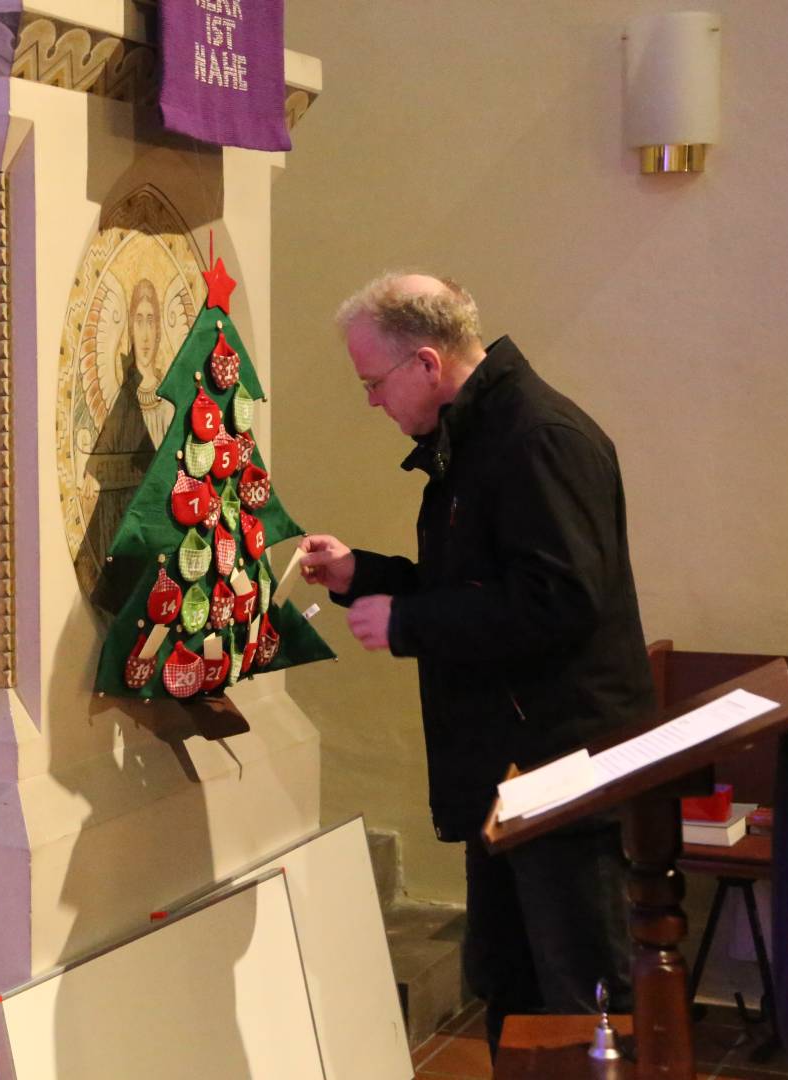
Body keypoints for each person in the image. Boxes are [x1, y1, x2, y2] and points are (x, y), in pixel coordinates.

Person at [298, 273, 654, 1055]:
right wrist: (368, 574)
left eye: (372, 383)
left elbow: (560, 600)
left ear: (426, 364)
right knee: (509, 976)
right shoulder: (480, 436)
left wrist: (411, 621)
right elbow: (481, 584)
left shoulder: (537, 437)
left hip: (559, 764)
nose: (369, 403)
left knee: (581, 992)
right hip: (509, 765)